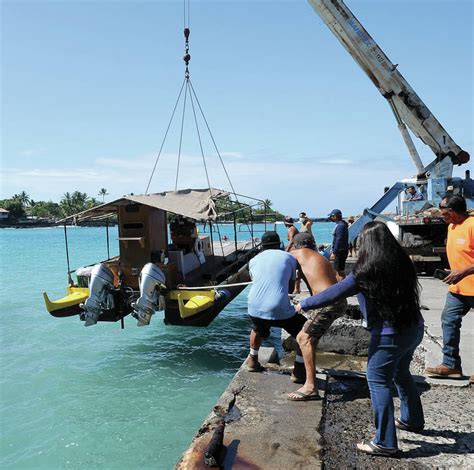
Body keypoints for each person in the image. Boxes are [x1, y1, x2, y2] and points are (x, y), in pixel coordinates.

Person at [295, 221, 424, 456]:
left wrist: (304, 303)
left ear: (366, 245)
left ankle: (385, 442)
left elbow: (334, 293)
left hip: (389, 335)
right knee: (401, 374)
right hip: (414, 329)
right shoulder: (403, 263)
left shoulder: (364, 272)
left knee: (377, 380)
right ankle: (412, 420)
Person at [287, 233, 347, 401]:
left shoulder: (298, 254)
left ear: (295, 245)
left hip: (329, 303)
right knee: (306, 336)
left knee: (304, 338)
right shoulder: (317, 256)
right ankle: (302, 372)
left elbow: (279, 258)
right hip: (333, 300)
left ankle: (311, 387)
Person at [425, 195, 474, 378]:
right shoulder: (451, 227)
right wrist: (453, 271)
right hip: (457, 289)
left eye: (443, 209)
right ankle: (451, 364)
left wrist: (463, 271)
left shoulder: (472, 225)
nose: (441, 212)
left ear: (452, 210)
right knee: (449, 321)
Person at [246, 231, 306, 380]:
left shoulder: (253, 260)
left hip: (254, 307)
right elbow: (291, 289)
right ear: (279, 244)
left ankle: (252, 360)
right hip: (278, 307)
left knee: (258, 327)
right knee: (305, 331)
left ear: (262, 246)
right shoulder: (289, 257)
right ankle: (298, 369)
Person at [328, 209, 349, 279]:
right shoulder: (342, 224)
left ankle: (343, 285)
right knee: (339, 270)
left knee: (339, 271)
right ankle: (343, 284)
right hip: (342, 250)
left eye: (331, 216)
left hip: (340, 251)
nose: (330, 218)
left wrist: (334, 252)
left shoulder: (340, 226)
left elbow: (338, 240)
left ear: (335, 216)